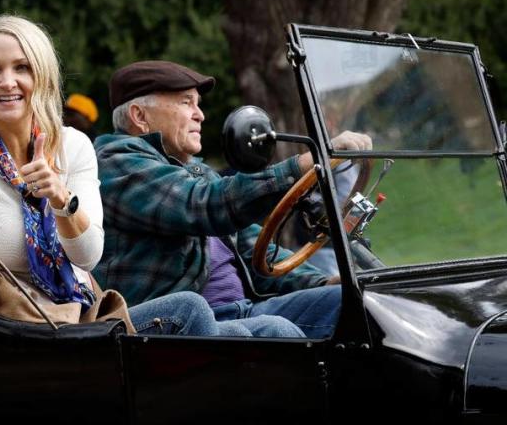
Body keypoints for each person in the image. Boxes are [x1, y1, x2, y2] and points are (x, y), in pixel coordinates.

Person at [0, 15, 302, 338]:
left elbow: (87, 257)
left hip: (82, 318)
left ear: (41, 76)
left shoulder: (72, 146)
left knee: (277, 331)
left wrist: (61, 200)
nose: (7, 82)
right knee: (190, 309)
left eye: (21, 68)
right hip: (21, 331)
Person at [94, 60, 373, 339]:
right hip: (167, 328)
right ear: (139, 116)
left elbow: (256, 250)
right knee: (275, 331)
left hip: (241, 312)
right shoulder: (117, 163)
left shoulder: (197, 172)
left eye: (198, 104)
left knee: (355, 303)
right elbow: (203, 205)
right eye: (186, 102)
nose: (199, 115)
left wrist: (323, 281)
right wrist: (307, 163)